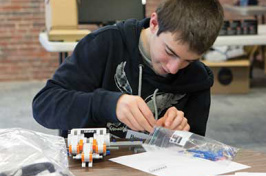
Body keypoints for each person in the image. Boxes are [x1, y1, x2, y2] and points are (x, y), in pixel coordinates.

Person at [32, 0, 224, 138]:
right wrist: (107, 104)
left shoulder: (198, 78)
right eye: (169, 52)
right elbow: (44, 106)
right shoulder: (104, 45)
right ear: (154, 23)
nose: (174, 69)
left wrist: (179, 136)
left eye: (188, 61)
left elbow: (196, 150)